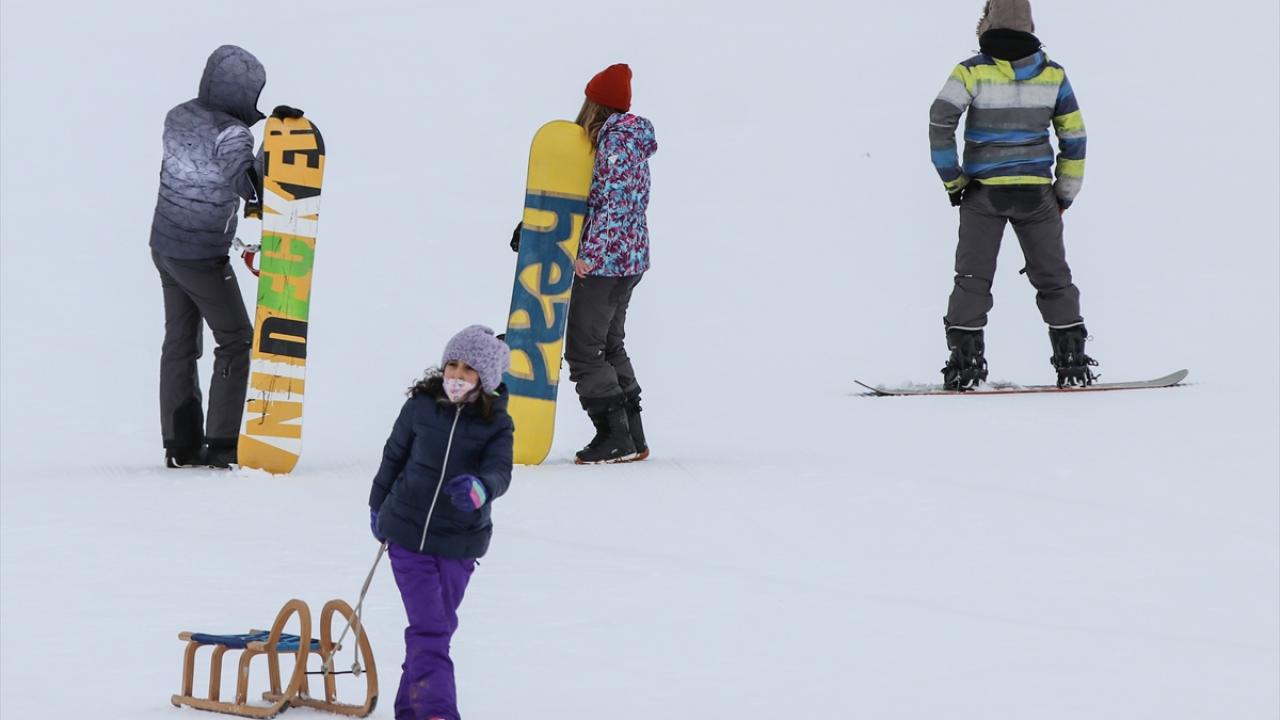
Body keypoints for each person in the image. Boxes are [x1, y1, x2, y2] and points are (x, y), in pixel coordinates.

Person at [929, 0, 1098, 389]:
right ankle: (1072, 361)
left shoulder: (971, 71)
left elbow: (940, 120)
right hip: (1036, 195)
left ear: (987, 24)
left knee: (972, 278)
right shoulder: (1053, 75)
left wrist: (953, 180)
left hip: (983, 194)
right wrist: (1064, 194)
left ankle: (966, 365)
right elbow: (1074, 137)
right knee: (1054, 277)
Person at [368, 325, 514, 720]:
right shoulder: (421, 406)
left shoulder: (497, 423)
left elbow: (500, 471)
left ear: (485, 377)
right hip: (407, 536)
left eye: (468, 368)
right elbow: (393, 457)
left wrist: (481, 489)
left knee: (436, 630)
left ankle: (410, 709)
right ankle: (438, 711)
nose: (457, 375)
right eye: (453, 364)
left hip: (458, 542)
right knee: (430, 628)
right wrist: (378, 507)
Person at [150, 45, 265, 468]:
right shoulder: (232, 133)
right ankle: (222, 441)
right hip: (201, 255)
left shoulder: (178, 115)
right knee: (236, 339)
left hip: (164, 246)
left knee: (180, 342)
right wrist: (273, 148)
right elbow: (250, 187)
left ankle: (180, 444)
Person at [563, 63, 658, 463]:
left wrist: (590, 254)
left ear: (593, 105)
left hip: (607, 263)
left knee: (585, 350)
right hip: (630, 259)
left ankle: (614, 437)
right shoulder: (630, 140)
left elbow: (613, 205)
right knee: (610, 345)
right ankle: (632, 437)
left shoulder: (615, 142)